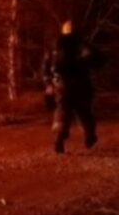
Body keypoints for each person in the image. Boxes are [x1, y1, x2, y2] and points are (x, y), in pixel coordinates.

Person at [42, 20, 102, 154]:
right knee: (84, 111)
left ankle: (59, 139)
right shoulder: (81, 44)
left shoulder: (54, 46)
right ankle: (90, 135)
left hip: (61, 85)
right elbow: (96, 59)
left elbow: (46, 66)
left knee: (62, 112)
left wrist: (48, 84)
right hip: (81, 83)